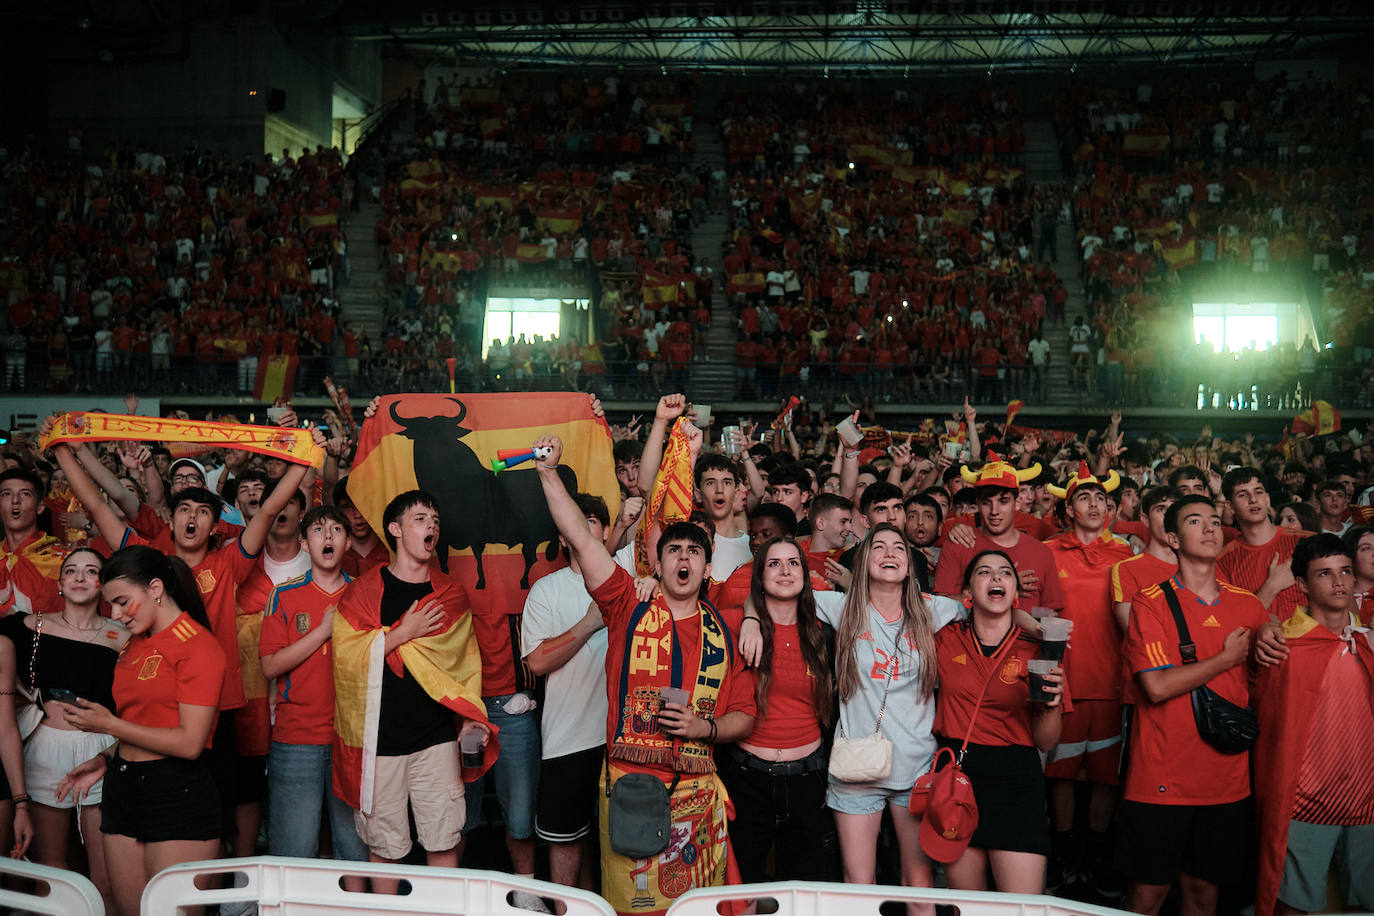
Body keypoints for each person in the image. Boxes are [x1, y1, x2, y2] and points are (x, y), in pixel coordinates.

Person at [535, 432, 757, 916]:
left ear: (707, 565)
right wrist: (548, 473)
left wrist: (708, 729)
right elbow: (578, 536)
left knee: (700, 910)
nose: (683, 558)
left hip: (698, 795)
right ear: (655, 562)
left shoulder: (725, 628)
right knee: (632, 910)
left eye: (693, 552)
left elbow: (745, 714)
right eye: (673, 550)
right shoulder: (625, 603)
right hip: (632, 786)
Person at [330, 490, 496, 896]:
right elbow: (345, 657)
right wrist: (404, 633)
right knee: (385, 847)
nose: (432, 526)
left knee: (443, 840)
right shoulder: (362, 593)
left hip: (436, 739)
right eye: (421, 519)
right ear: (395, 530)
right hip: (381, 742)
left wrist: (471, 716)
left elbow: (463, 665)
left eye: (435, 520)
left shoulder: (450, 594)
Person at [54, 545, 226, 916]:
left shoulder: (198, 646)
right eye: (109, 605)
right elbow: (142, 722)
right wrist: (105, 757)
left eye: (121, 602)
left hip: (175, 791)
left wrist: (108, 724)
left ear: (155, 588)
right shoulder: (134, 646)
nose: (115, 615)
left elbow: (190, 742)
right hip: (123, 783)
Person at [1118, 495, 1267, 916]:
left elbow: (1265, 676)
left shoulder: (1249, 605)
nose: (1209, 529)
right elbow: (1157, 686)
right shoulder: (1151, 600)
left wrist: (1272, 632)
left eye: (1215, 522)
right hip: (1162, 777)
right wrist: (1223, 659)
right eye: (1195, 522)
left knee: (1204, 893)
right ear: (1172, 538)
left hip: (1226, 779)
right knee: (1148, 895)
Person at [825, 524, 961, 890]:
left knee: (918, 881)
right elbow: (771, 590)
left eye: (898, 548)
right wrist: (754, 622)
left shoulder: (935, 609)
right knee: (858, 883)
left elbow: (987, 607)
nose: (889, 553)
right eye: (878, 547)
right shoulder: (841, 607)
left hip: (915, 768)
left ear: (909, 565)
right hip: (857, 770)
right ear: (864, 560)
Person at [1251, 534, 1374, 916]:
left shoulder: (1369, 642)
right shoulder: (1281, 645)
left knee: (1365, 907)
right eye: (1324, 573)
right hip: (1305, 803)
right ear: (1302, 586)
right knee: (1292, 907)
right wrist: (1259, 628)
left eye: (1345, 572)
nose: (1338, 581)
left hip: (1368, 803)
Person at [0, 547, 126, 910]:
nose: (80, 578)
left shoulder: (123, 635)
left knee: (106, 875)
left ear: (103, 584)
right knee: (51, 871)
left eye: (91, 571)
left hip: (102, 749)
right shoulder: (26, 625)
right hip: (43, 747)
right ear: (59, 583)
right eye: (71, 571)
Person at [934, 550, 1064, 893]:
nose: (995, 578)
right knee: (970, 908)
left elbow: (1047, 742)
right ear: (967, 592)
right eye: (984, 573)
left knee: (1022, 908)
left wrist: (1052, 704)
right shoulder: (944, 639)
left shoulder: (1040, 651)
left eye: (1005, 573)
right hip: (959, 777)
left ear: (1016, 593)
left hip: (1017, 778)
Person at [721, 537, 840, 883]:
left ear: (805, 574)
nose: (785, 571)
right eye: (774, 563)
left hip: (809, 780)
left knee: (806, 896)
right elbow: (681, 611)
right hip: (745, 779)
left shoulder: (824, 635)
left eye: (793, 563)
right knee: (742, 892)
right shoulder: (732, 625)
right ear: (759, 577)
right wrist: (750, 616)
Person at [257, 506, 367, 871]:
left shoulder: (364, 595)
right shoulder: (284, 595)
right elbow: (269, 665)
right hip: (296, 739)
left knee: (355, 852)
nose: (329, 536)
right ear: (305, 543)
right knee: (293, 852)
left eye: (337, 530)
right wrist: (322, 631)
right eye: (319, 530)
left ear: (348, 542)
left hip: (351, 739)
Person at [1042, 463, 1133, 895]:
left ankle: (1095, 855)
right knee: (1060, 775)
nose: (1095, 505)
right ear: (1069, 509)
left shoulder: (1128, 555)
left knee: (1104, 778)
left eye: (1101, 498)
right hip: (1065, 683)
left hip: (1112, 683)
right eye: (1084, 498)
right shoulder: (1048, 551)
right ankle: (1064, 857)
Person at [520, 493, 613, 889]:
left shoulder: (626, 578)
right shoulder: (546, 590)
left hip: (623, 739)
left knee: (619, 841)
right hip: (568, 738)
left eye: (591, 520)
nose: (583, 528)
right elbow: (536, 662)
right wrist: (589, 624)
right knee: (565, 842)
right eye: (575, 520)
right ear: (562, 535)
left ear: (607, 532)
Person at [934, 456, 1063, 611]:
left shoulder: (1041, 553)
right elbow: (940, 607)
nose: (994, 511)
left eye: (1003, 501)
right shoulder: (959, 544)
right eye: (987, 502)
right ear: (979, 504)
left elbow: (1051, 613)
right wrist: (1003, 589)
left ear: (1017, 503)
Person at [1217, 468, 1310, 620]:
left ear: (1267, 499)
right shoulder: (1223, 561)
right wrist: (1272, 586)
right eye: (1242, 494)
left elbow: (1342, 598)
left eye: (1258, 492)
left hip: (1314, 640)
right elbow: (1231, 624)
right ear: (1230, 506)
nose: (1253, 499)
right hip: (1258, 643)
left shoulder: (1305, 541)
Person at [0, 468, 64, 615]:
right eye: (6, 494)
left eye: (25, 494)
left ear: (40, 507)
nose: (15, 500)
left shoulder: (60, 560)